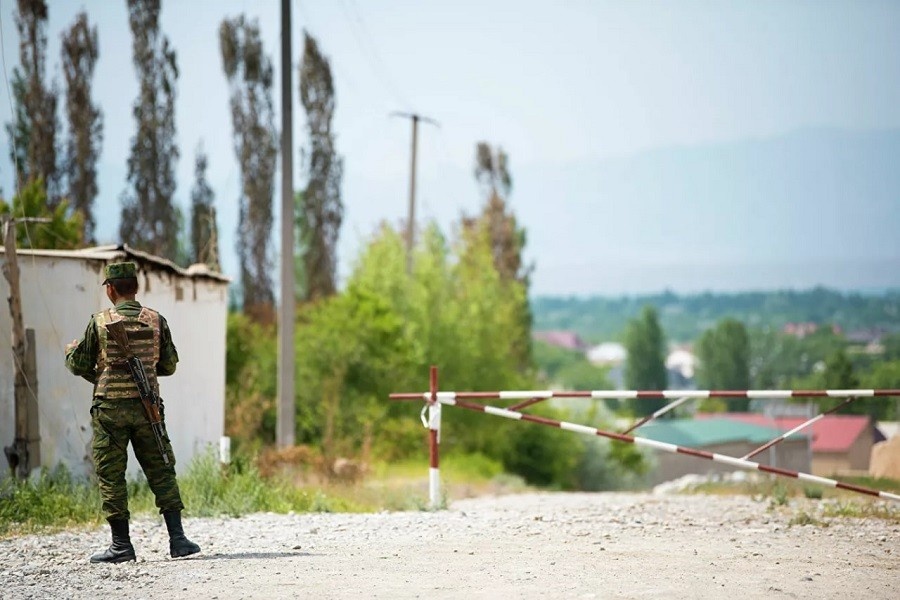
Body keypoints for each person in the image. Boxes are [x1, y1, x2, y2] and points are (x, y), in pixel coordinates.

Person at [65, 261, 200, 563]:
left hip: (109, 411)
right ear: (136, 287)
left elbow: (79, 365)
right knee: (161, 468)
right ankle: (178, 540)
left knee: (111, 474)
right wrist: (145, 367)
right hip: (147, 408)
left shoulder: (99, 322)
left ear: (110, 290)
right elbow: (169, 365)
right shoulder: (156, 320)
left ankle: (121, 545)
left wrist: (70, 351)